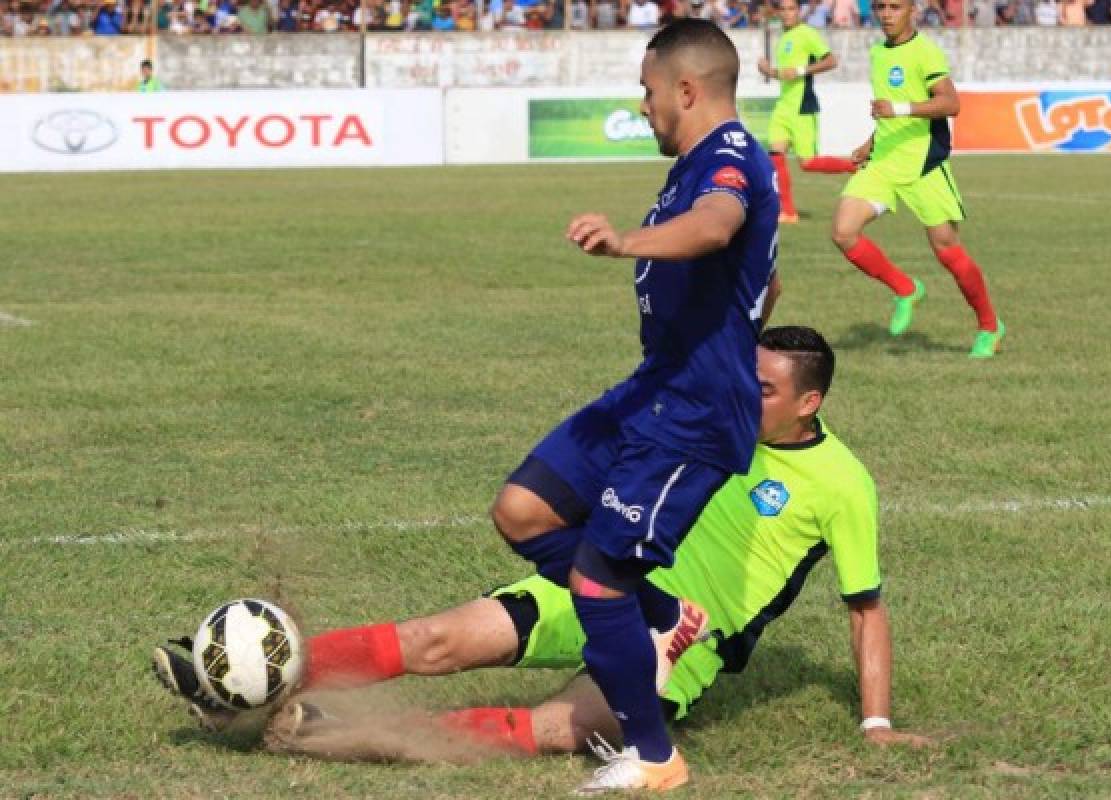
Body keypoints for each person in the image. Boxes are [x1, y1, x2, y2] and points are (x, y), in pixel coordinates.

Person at [152, 327, 931, 764]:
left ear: (810, 401)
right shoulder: (710, 417)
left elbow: (866, 610)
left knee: (562, 730)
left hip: (680, 640)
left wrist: (876, 724)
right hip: (599, 579)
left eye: (763, 389)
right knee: (436, 640)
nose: (742, 393)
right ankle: (237, 683)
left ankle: (325, 731)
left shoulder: (843, 484)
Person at [490, 19, 778, 793]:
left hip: (695, 411)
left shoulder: (728, 157)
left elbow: (718, 228)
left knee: (595, 580)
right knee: (523, 510)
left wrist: (624, 244)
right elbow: (763, 278)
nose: (643, 104)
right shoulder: (691, 163)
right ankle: (665, 615)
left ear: (686, 90)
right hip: (654, 388)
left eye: (649, 90)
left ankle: (656, 759)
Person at [831, 0, 1004, 358]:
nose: (886, 14)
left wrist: (900, 108)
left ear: (912, 10)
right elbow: (889, 114)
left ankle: (989, 326)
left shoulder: (926, 53)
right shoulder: (878, 52)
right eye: (880, 8)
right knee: (843, 232)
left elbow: (951, 103)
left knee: (947, 250)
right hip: (884, 162)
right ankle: (905, 288)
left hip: (924, 163)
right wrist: (869, 144)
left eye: (895, 7)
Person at [757, 0, 856, 225]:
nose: (787, 13)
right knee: (775, 155)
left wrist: (801, 70)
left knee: (807, 163)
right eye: (783, 9)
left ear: (798, 11)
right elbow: (786, 75)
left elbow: (831, 61)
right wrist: (769, 71)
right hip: (784, 106)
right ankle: (788, 212)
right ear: (778, 13)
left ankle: (854, 167)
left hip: (803, 106)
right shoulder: (783, 38)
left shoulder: (807, 34)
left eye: (791, 9)